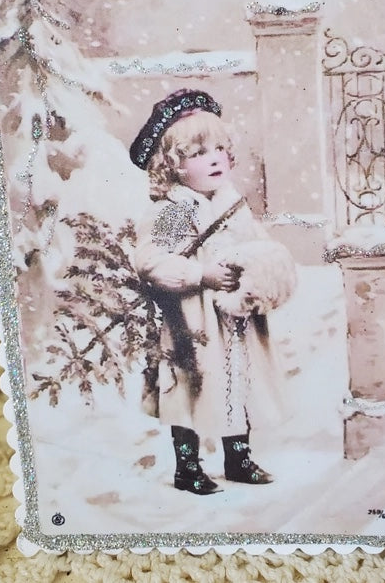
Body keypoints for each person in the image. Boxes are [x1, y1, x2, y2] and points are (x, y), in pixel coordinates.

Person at [131, 89, 296, 495]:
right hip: (193, 319)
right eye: (200, 152)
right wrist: (199, 274)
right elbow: (150, 260)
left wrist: (260, 269)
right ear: (172, 165)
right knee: (191, 385)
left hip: (236, 317)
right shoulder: (174, 210)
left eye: (220, 148)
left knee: (238, 381)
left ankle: (238, 459)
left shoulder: (232, 206)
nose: (215, 158)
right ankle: (187, 467)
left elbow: (258, 245)